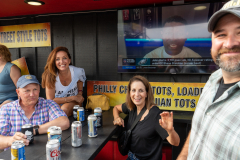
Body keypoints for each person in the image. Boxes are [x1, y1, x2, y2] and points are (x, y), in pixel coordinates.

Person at [177, 1, 240, 160]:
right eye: (221, 34)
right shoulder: (213, 78)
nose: (230, 43)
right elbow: (199, 129)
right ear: (212, 41)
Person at [113, 75, 180, 160]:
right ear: (129, 93)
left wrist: (170, 131)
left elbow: (176, 142)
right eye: (133, 90)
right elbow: (116, 108)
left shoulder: (155, 115)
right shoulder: (131, 106)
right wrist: (116, 118)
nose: (136, 94)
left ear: (147, 93)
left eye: (141, 90)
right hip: (130, 157)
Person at [0, 75, 69, 150]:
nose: (32, 94)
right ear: (18, 92)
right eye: (27, 91)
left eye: (35, 89)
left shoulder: (48, 104)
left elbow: (64, 122)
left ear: (39, 90)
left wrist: (35, 130)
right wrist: (11, 140)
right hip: (16, 155)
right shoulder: (6, 109)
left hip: (42, 153)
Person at [42, 47, 86, 116]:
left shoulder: (78, 71)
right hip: (58, 102)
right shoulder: (50, 76)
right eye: (57, 59)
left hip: (74, 102)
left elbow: (80, 81)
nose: (62, 62)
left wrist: (79, 94)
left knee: (64, 110)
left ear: (69, 60)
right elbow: (50, 100)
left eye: (64, 58)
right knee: (58, 113)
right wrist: (73, 97)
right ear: (54, 62)